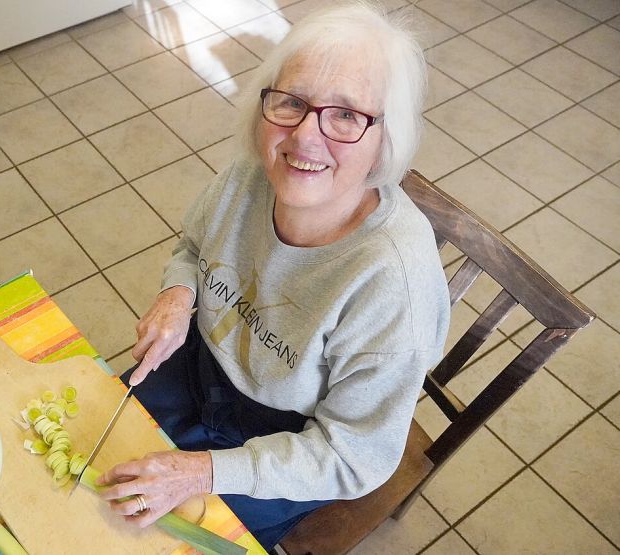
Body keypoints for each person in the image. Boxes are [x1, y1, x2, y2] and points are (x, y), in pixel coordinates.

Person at [95, 1, 451, 550]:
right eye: (292, 102)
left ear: (386, 137)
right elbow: (194, 246)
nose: (305, 138)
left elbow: (352, 456)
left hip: (286, 442)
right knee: (84, 460)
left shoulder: (392, 285)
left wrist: (200, 472)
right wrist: (177, 294)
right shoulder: (253, 172)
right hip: (199, 368)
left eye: (346, 115)